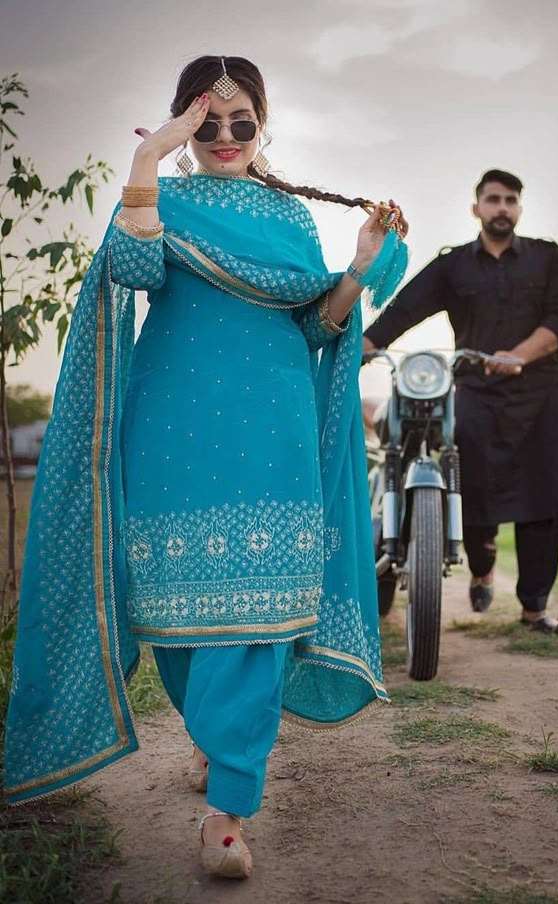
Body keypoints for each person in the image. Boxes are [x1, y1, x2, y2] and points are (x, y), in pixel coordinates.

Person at [3, 55, 408, 880]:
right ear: (185, 122)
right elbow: (135, 268)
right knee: (177, 624)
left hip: (275, 432)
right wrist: (152, 160)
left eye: (242, 123)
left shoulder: (292, 219)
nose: (225, 138)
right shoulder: (165, 199)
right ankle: (210, 738)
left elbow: (321, 328)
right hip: (173, 431)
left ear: (266, 125)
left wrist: (361, 265)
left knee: (258, 620)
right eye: (206, 122)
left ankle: (229, 806)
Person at [363, 168, 558, 634]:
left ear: (519, 209)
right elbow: (407, 307)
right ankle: (482, 569)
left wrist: (518, 356)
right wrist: (366, 345)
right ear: (476, 207)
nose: (502, 207)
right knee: (474, 488)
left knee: (543, 502)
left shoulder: (547, 258)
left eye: (510, 200)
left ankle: (534, 609)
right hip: (478, 396)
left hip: (540, 394)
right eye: (493, 199)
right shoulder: (454, 265)